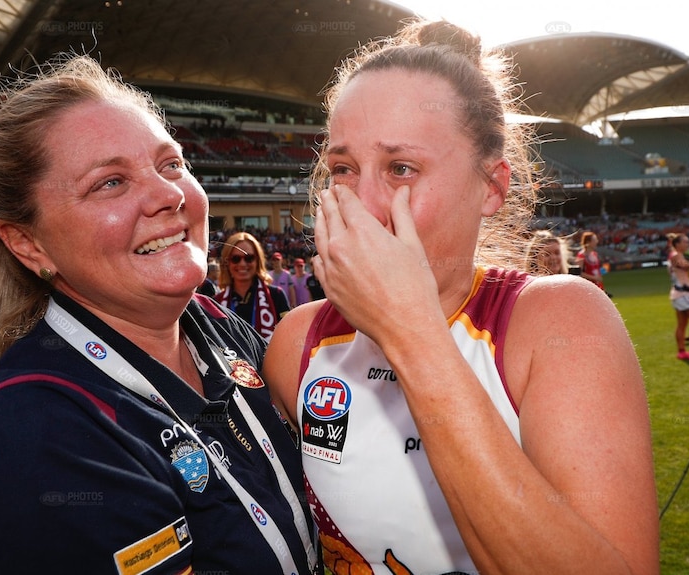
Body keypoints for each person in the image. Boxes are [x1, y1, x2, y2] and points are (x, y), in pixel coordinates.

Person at [262, 20, 659, 575]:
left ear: (492, 187)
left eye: (402, 168)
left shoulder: (557, 322)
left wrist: (411, 332)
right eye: (344, 169)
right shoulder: (296, 343)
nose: (364, 203)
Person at [0, 55, 317, 575]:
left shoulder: (218, 329)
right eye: (110, 182)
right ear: (28, 243)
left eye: (171, 164)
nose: (169, 194)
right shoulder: (29, 441)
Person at [214, 232, 291, 341]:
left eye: (249, 258)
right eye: (236, 259)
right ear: (227, 263)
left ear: (257, 261)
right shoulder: (216, 303)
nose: (242, 264)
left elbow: (288, 337)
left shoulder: (276, 296)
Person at [666, 233, 689, 360]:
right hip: (683, 293)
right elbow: (686, 265)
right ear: (678, 244)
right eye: (685, 242)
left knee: (682, 323)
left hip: (678, 293)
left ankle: (682, 351)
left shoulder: (674, 255)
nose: (688, 244)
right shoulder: (676, 255)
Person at [575, 230, 610, 295]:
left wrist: (603, 271)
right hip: (588, 287)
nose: (597, 241)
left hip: (599, 286)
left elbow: (597, 270)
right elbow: (579, 273)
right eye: (594, 240)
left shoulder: (595, 254)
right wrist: (594, 277)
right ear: (588, 242)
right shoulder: (581, 256)